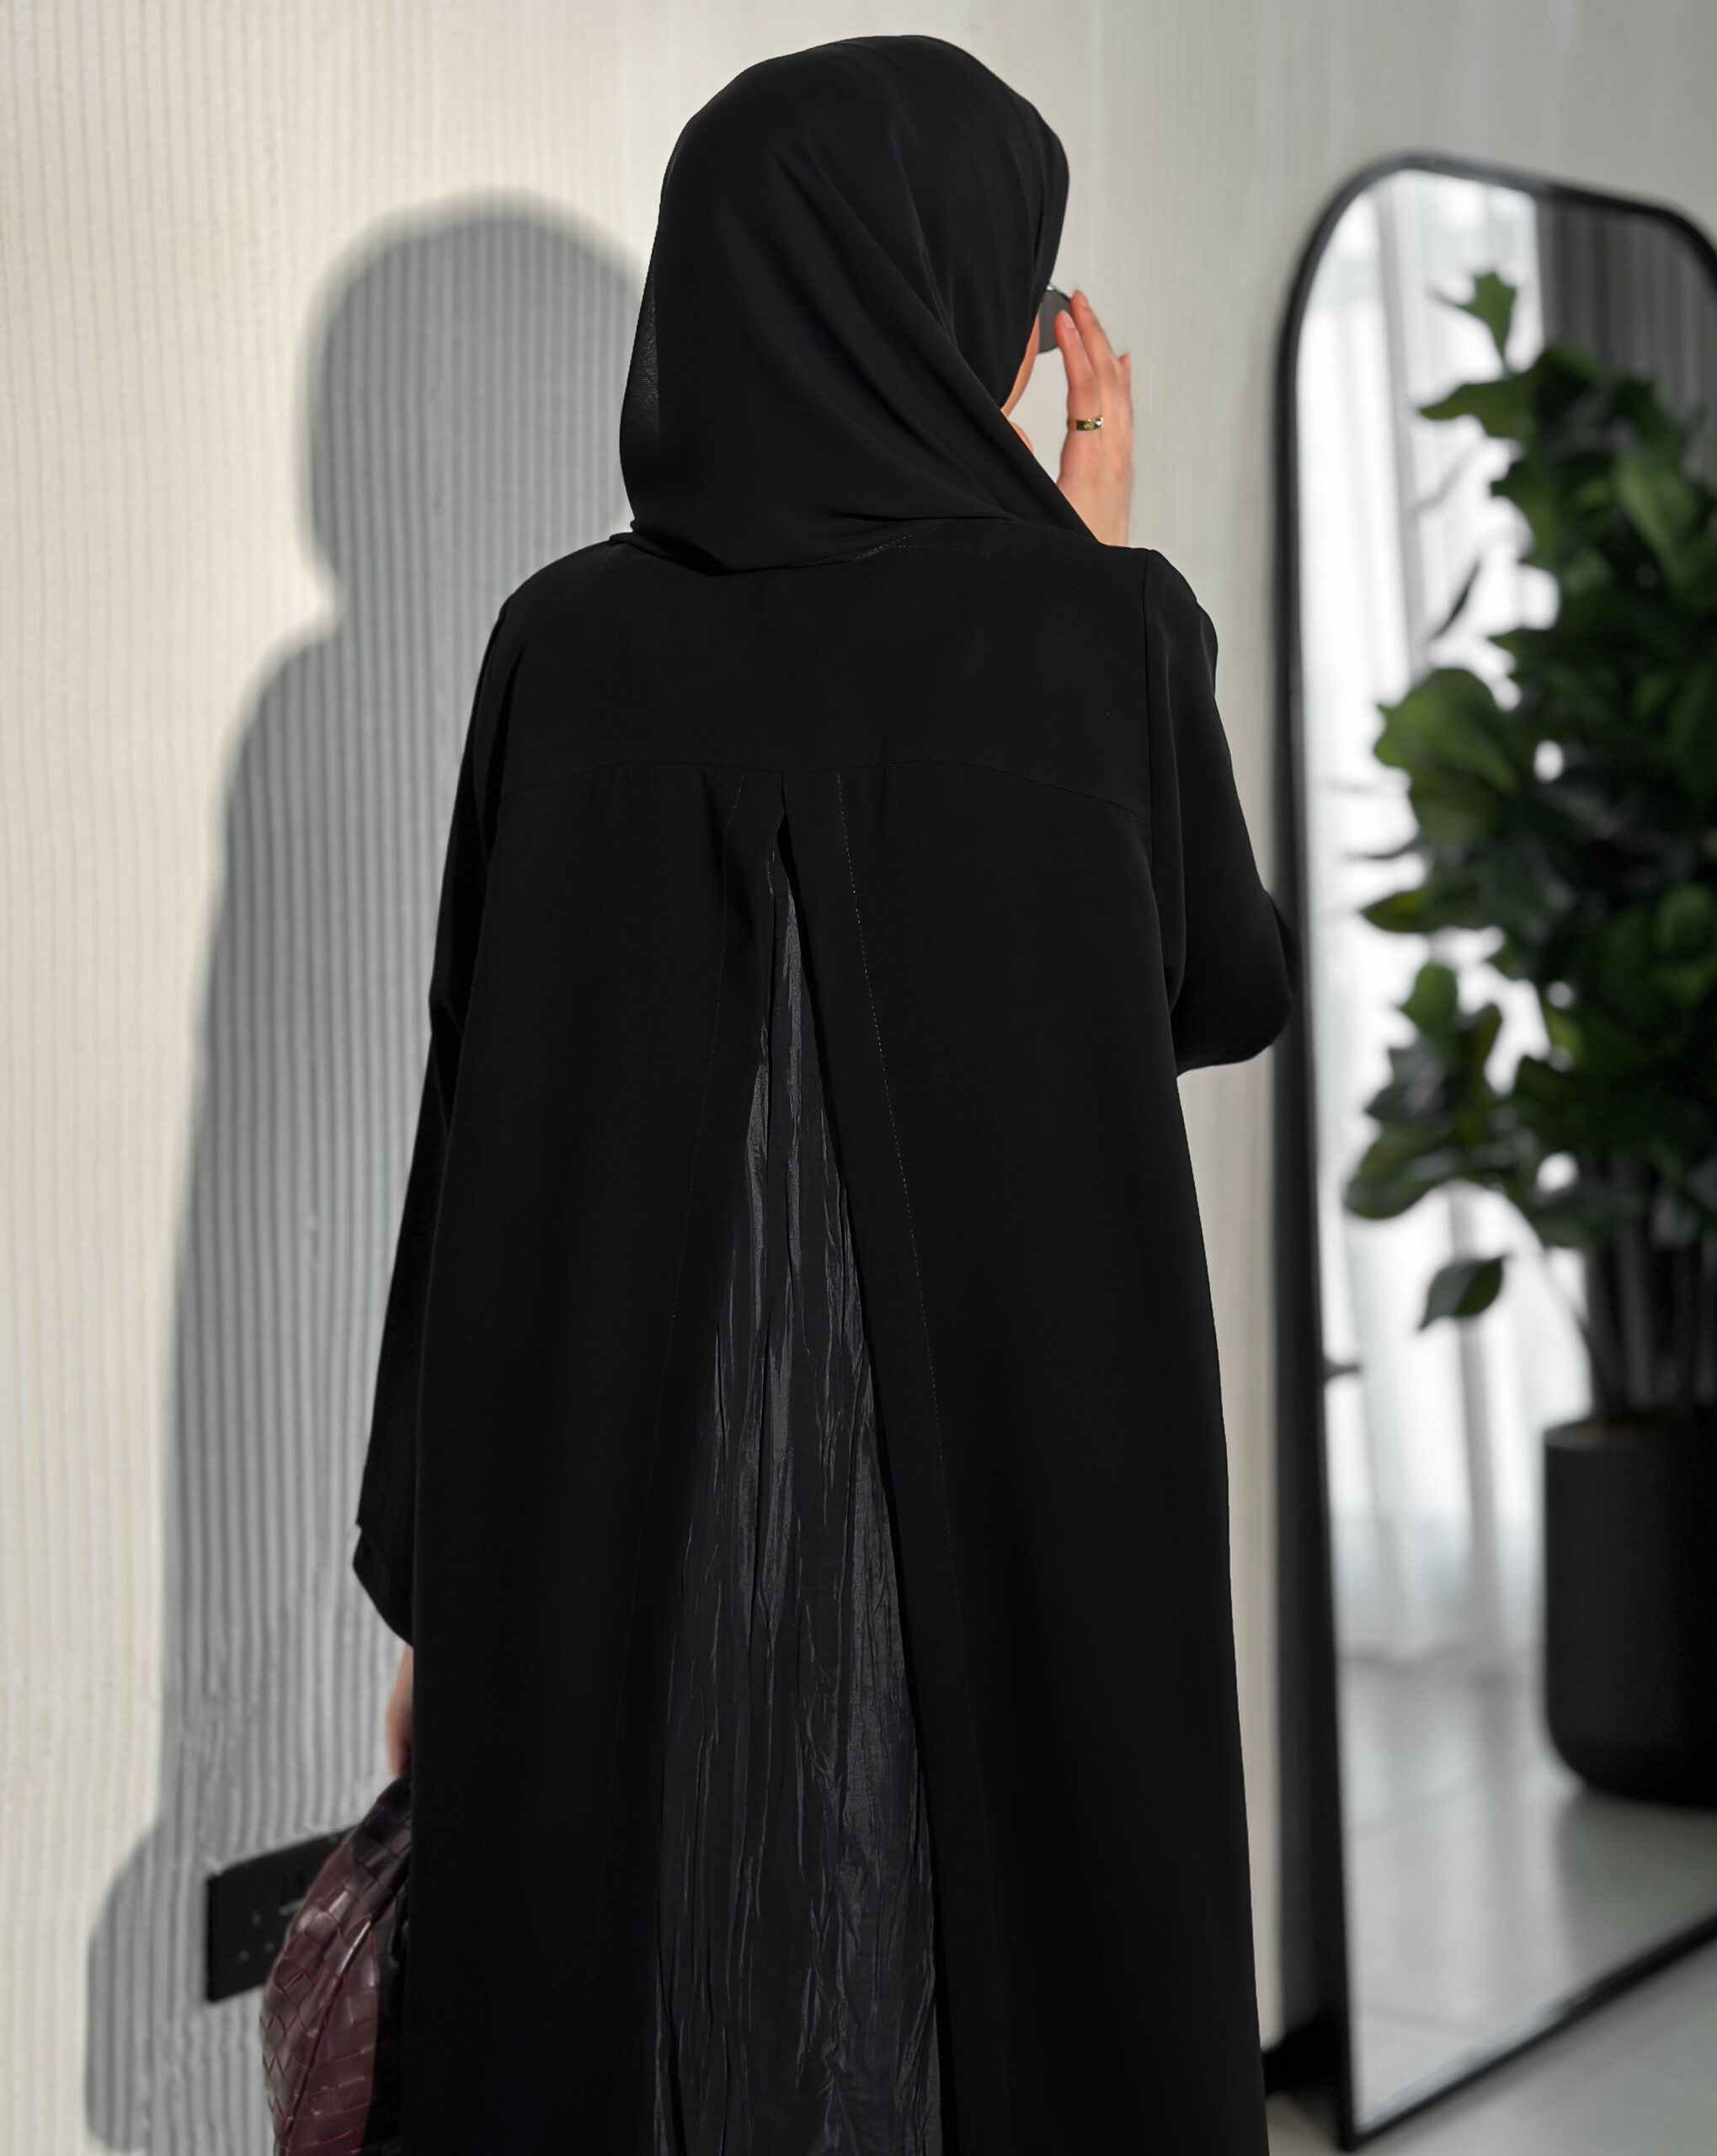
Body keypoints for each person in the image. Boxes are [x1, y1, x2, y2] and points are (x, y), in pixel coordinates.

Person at [354, 32, 1294, 2156]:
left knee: (633, 2007)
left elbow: (470, 1120)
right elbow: (1211, 986)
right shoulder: (1091, 635)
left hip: (610, 1527)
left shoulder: (562, 645)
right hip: (1010, 1510)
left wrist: (435, 1575)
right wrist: (1091, 557)